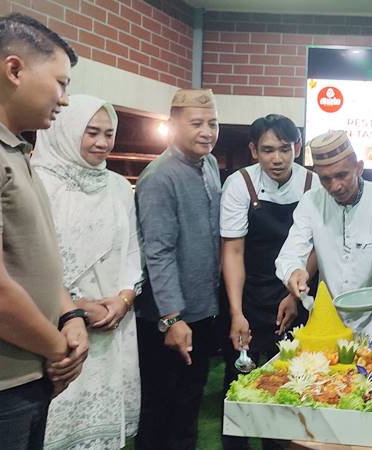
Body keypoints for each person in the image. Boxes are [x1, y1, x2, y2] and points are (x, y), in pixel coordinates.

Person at [0, 13, 89, 450]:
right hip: (1, 384)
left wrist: (69, 315)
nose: (64, 100)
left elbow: (36, 257)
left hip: (29, 374)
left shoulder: (15, 148)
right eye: (61, 83)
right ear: (14, 70)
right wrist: (59, 349)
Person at [33, 95, 143, 450]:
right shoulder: (36, 182)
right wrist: (75, 308)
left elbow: (131, 251)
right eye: (91, 132)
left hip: (110, 324)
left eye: (109, 134)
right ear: (65, 130)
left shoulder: (116, 186)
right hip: (52, 324)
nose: (102, 142)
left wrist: (123, 300)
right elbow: (29, 262)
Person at [219, 114, 319, 450]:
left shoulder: (312, 184)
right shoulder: (239, 183)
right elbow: (233, 251)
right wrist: (236, 312)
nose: (277, 159)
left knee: (290, 386)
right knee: (240, 386)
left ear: (297, 148)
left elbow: (316, 247)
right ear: (253, 150)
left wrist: (295, 294)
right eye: (267, 150)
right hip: (247, 294)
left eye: (285, 149)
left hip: (296, 292)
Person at [134, 88, 221, 450]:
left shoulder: (209, 165)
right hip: (168, 321)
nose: (207, 132)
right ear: (172, 126)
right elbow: (158, 251)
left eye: (212, 124)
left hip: (201, 313)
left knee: (188, 406)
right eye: (196, 123)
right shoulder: (159, 176)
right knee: (160, 413)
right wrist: (172, 318)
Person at [276, 130, 372, 340]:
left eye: (342, 175)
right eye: (326, 179)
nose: (335, 186)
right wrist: (293, 271)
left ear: (359, 167)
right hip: (329, 321)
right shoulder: (311, 202)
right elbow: (290, 253)